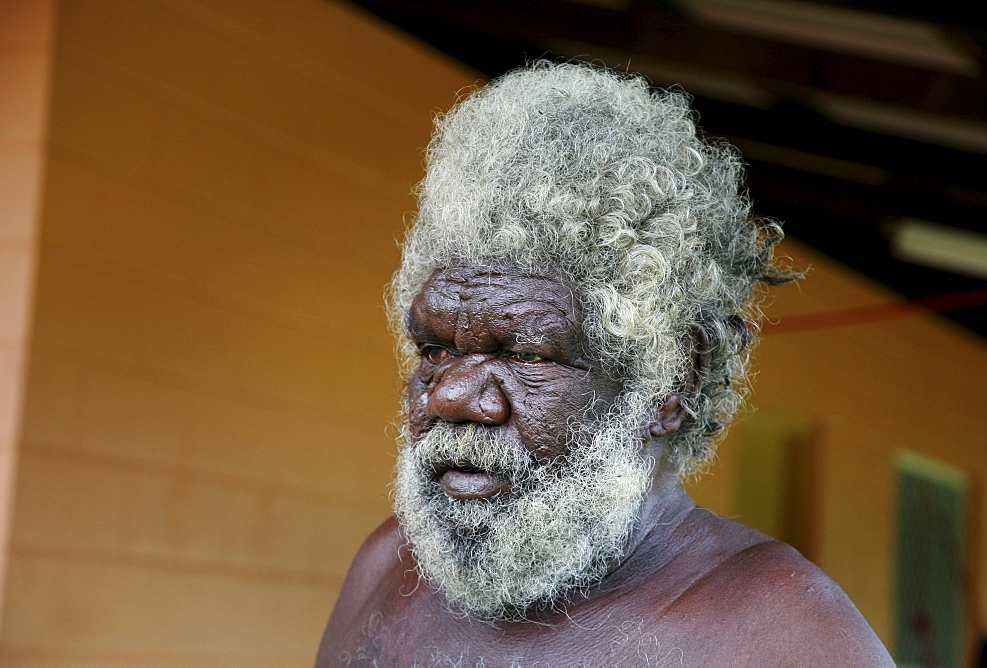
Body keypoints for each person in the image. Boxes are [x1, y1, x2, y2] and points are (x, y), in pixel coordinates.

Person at [317, 61, 892, 666]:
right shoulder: (385, 571)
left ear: (669, 381)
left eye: (527, 354)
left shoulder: (784, 637)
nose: (451, 397)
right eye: (435, 350)